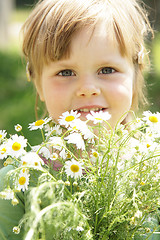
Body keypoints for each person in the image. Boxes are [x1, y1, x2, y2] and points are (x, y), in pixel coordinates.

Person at [0, 0, 159, 239]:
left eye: (106, 70)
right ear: (38, 84)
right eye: (65, 72)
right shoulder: (16, 184)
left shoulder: (151, 175)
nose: (87, 88)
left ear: (135, 77)